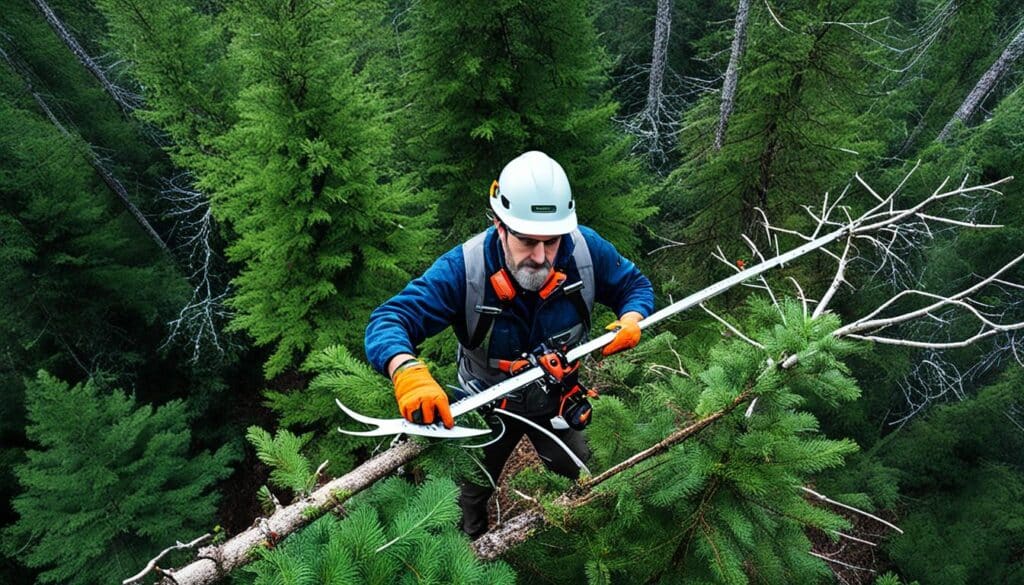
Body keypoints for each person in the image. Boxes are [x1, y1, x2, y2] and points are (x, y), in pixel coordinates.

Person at [365, 150, 654, 538]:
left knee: (587, 476)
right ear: (499, 225)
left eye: (551, 242)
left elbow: (635, 286)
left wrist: (633, 317)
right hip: (486, 403)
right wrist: (406, 369)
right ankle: (471, 551)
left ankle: (591, 542)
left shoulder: (584, 250)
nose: (540, 258)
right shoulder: (464, 270)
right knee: (463, 499)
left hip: (558, 398)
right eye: (526, 241)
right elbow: (390, 319)